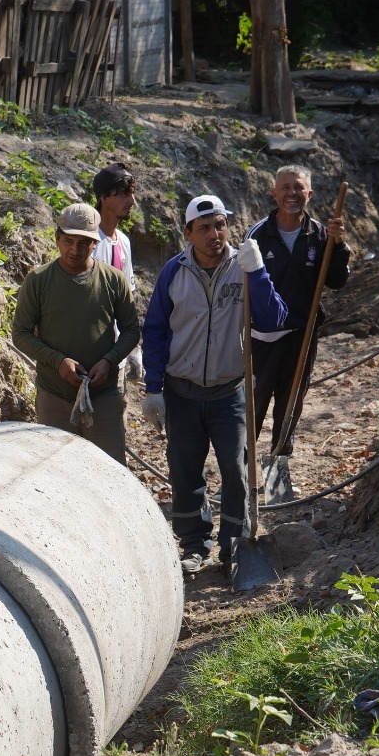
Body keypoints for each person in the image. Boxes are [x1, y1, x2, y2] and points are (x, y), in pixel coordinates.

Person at [141, 194, 288, 573]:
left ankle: (234, 547)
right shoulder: (174, 272)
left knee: (236, 473)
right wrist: (153, 388)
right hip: (182, 392)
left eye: (220, 224)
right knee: (185, 470)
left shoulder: (244, 266)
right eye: (204, 228)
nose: (214, 234)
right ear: (187, 233)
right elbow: (155, 330)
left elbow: (273, 320)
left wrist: (257, 272)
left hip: (230, 392)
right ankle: (194, 545)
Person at [244, 165, 351, 482]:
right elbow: (243, 285)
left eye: (299, 187)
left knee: (289, 409)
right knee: (253, 408)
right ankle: (240, 482)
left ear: (310, 194)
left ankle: (276, 485)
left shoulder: (320, 235)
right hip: (262, 338)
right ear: (274, 193)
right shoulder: (258, 235)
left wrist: (339, 246)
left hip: (302, 337)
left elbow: (336, 281)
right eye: (285, 188)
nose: (292, 193)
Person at [12, 202, 140, 464]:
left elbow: (131, 331)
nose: (74, 250)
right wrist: (58, 362)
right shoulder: (38, 280)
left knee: (109, 473)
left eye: (83, 243)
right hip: (54, 397)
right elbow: (21, 334)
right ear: (57, 238)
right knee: (54, 474)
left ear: (95, 244)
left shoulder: (114, 280)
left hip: (103, 397)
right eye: (68, 241)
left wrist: (109, 360)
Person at [90, 162, 142, 390]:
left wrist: (133, 347)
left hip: (115, 356)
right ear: (104, 197)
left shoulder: (123, 241)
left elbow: (127, 297)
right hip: (89, 355)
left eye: (132, 194)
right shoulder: (88, 242)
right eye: (123, 194)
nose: (132, 201)